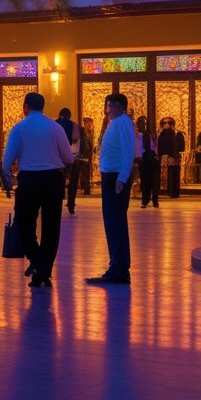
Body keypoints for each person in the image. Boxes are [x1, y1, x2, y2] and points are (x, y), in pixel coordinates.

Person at [2, 92, 74, 289]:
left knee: (24, 225)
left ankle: (37, 263)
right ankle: (43, 269)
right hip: (53, 179)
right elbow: (68, 157)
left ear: (26, 106)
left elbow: (7, 161)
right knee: (51, 227)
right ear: (43, 107)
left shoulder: (19, 128)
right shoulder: (55, 127)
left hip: (29, 180)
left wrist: (8, 181)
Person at [88, 93, 137, 285]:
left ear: (119, 106)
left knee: (115, 222)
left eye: (110, 106)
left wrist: (122, 178)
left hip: (116, 177)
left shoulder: (122, 123)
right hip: (111, 176)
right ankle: (117, 266)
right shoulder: (115, 123)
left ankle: (118, 269)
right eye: (107, 106)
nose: (107, 109)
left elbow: (128, 151)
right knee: (113, 222)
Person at [56, 108, 81, 214]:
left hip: (57, 158)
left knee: (57, 180)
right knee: (73, 182)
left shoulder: (54, 125)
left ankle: (57, 201)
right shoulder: (74, 125)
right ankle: (71, 204)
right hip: (71, 157)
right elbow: (76, 141)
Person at [157, 117, 186, 198]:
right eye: (164, 124)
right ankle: (167, 190)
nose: (166, 125)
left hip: (174, 157)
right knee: (166, 174)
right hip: (164, 157)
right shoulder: (161, 134)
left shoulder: (177, 134)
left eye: (168, 124)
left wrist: (177, 155)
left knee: (174, 174)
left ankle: (175, 192)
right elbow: (160, 145)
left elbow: (181, 146)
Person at [136, 116, 159, 208]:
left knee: (150, 181)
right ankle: (148, 200)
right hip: (146, 159)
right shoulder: (140, 135)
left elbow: (154, 146)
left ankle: (152, 200)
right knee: (147, 181)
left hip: (149, 158)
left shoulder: (149, 135)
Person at [77, 117, 95, 196]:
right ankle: (85, 189)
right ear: (85, 124)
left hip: (87, 155)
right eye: (89, 124)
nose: (90, 125)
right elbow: (84, 145)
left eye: (91, 124)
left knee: (86, 172)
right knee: (85, 172)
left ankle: (85, 188)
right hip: (84, 155)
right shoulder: (82, 132)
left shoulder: (90, 132)